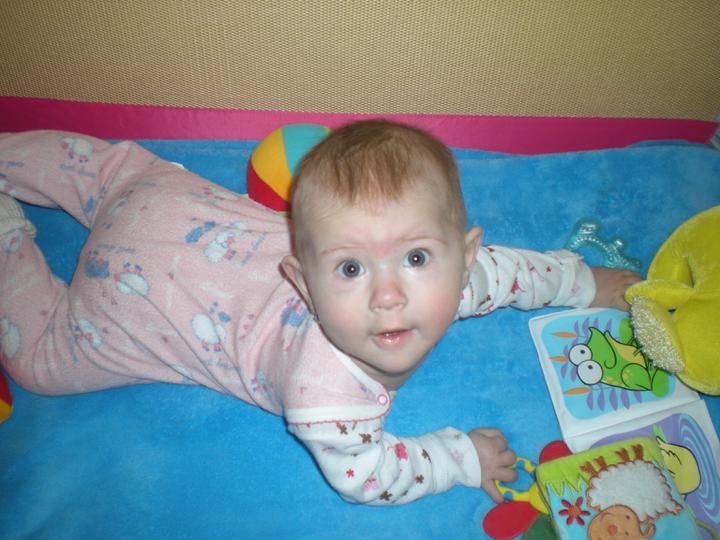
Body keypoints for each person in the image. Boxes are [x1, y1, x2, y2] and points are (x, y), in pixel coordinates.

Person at [0, 122, 640, 505]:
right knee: (41, 364)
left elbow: (515, 272)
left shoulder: (460, 279)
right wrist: (461, 458)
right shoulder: (325, 397)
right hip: (122, 309)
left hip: (160, 200)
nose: (388, 296)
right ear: (301, 283)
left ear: (466, 255)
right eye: (351, 269)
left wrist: (581, 282)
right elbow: (369, 476)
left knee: (114, 171)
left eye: (416, 257)